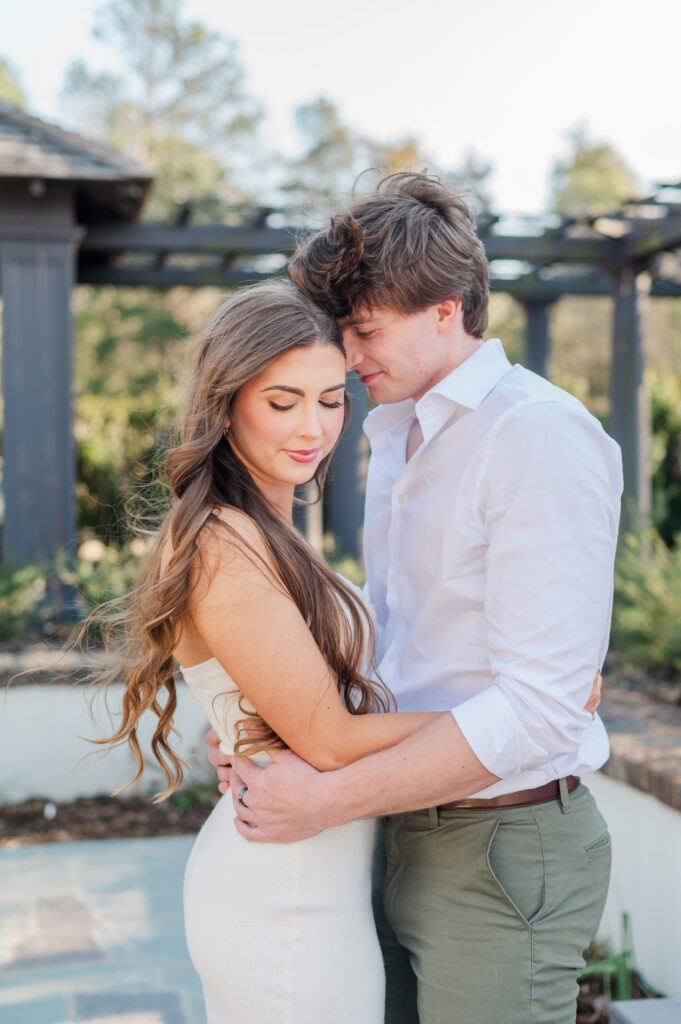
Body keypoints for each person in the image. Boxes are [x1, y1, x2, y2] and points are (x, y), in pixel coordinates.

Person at [213, 173, 623, 1024]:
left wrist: (323, 796)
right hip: (399, 820)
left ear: (446, 308)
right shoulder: (398, 430)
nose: (349, 358)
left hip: (500, 842)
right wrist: (270, 729)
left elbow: (540, 712)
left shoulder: (534, 437)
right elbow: (395, 637)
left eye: (365, 331)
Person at [90, 280, 471, 1024]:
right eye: (282, 400)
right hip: (284, 897)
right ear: (226, 401)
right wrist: (514, 714)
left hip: (314, 878)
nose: (313, 428)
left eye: (331, 400)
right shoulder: (223, 542)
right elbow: (327, 738)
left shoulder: (272, 528)